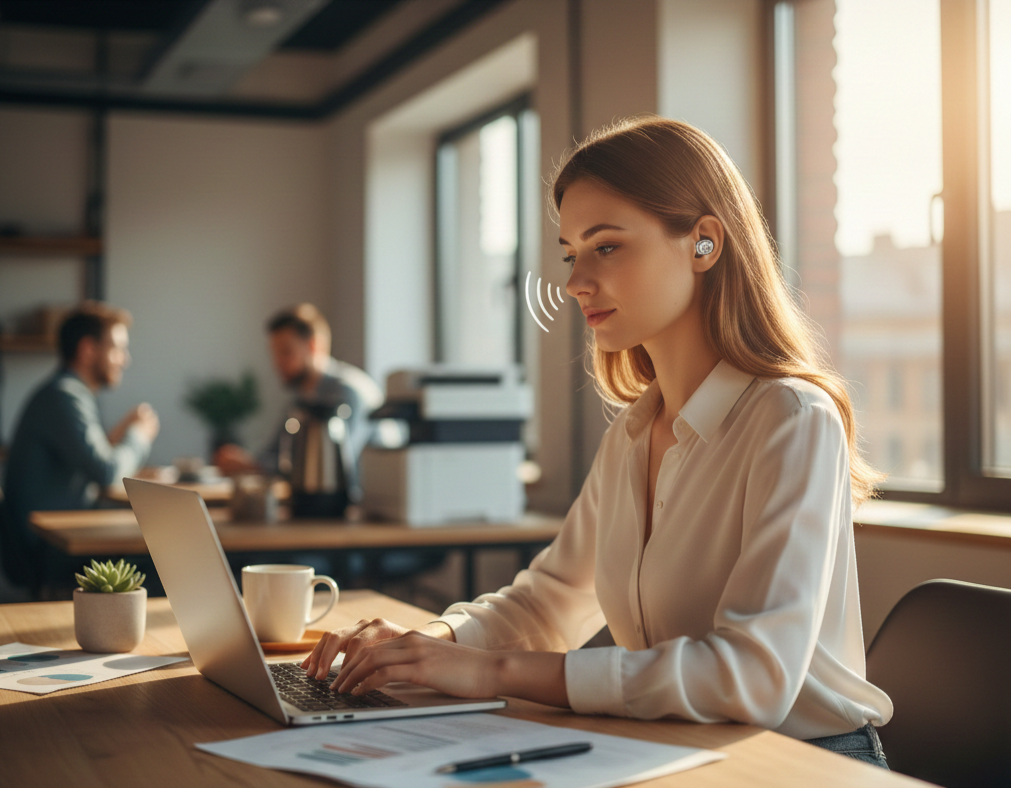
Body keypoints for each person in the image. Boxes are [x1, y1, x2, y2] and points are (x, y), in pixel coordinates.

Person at [300, 117, 894, 768]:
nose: (574, 281)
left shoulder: (792, 420)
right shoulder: (636, 432)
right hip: (677, 746)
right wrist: (426, 643)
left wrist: (493, 672)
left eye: (605, 247)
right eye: (569, 253)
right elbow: (550, 599)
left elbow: (752, 677)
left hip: (805, 762)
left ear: (703, 243)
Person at [3, 302, 160, 588]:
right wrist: (138, 436)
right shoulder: (65, 397)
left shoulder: (67, 394)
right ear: (88, 349)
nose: (125, 360)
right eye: (118, 349)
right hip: (50, 549)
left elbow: (90, 460)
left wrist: (120, 434)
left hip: (53, 541)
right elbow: (106, 471)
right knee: (164, 563)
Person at [213, 303, 383, 494]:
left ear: (312, 346)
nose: (277, 363)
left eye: (286, 352)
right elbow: (274, 455)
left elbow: (338, 469)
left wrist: (254, 467)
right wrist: (248, 463)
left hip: (355, 512)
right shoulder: (301, 400)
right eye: (274, 354)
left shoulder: (347, 393)